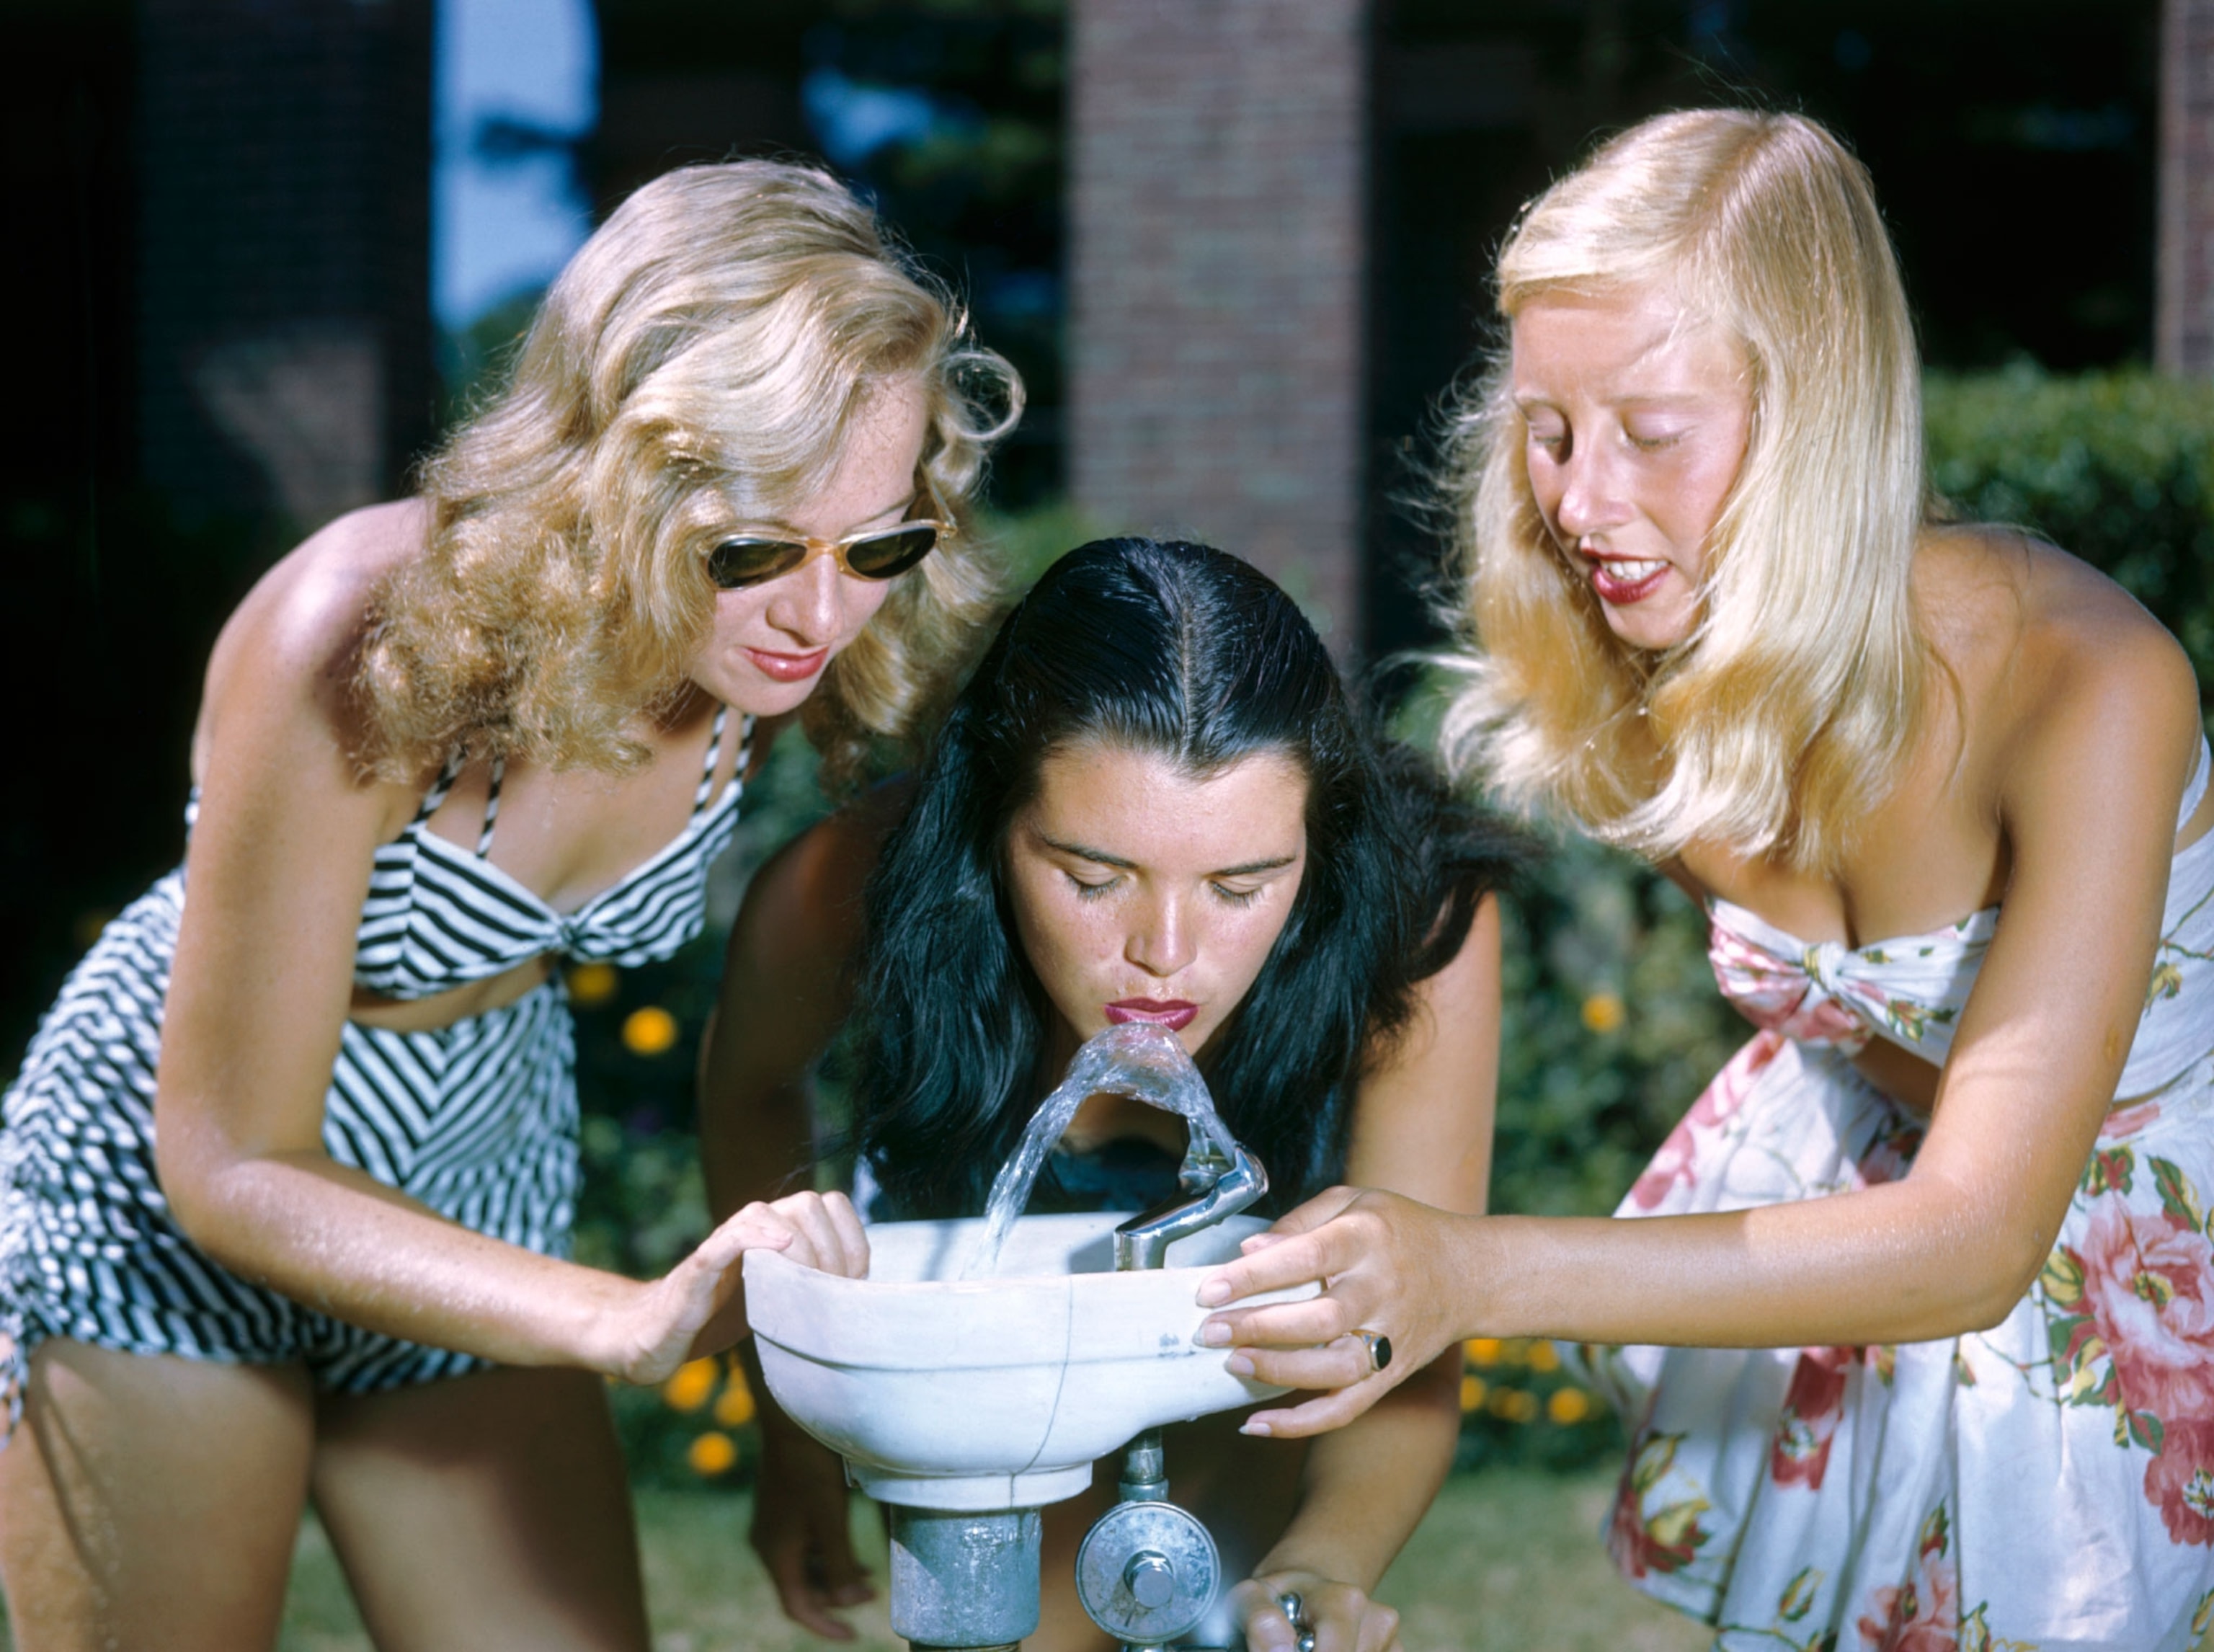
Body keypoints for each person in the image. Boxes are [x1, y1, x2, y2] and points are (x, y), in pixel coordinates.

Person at [1196, 108, 2214, 1650]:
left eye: (1651, 433)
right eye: (1546, 429)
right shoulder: (1634, 660)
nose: (1581, 503)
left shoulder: (2088, 684)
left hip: (2099, 1267)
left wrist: (1472, 1272)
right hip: (1857, 1236)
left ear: (1818, 416)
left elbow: (1978, 1237)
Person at [0, 159, 1021, 1650]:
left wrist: (799, 1441)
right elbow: (229, 1158)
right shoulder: (355, 631)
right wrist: (614, 1313)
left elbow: (794, 1053)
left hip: (474, 1166)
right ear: (621, 467)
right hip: (171, 1196)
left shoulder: (792, 653)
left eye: (877, 542)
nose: (822, 608)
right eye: (751, 549)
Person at [701, 537, 1528, 1652]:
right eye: (1093, 878)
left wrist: (1317, 1571)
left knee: (1222, 1617)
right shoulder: (850, 889)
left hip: (1247, 1332)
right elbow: (748, 1086)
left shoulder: (1413, 920)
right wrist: (790, 1429)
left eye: (1242, 886)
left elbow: (1403, 1337)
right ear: (991, 822)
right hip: (986, 1326)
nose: (1165, 956)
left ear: (1317, 844)